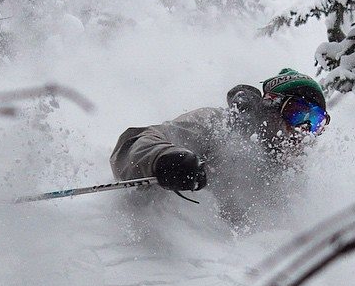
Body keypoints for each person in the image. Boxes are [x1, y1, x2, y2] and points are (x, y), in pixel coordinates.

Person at [110, 68, 329, 216]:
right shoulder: (219, 127)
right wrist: (163, 158)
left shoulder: (291, 181)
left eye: (316, 122)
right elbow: (135, 141)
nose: (303, 130)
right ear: (272, 106)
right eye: (298, 113)